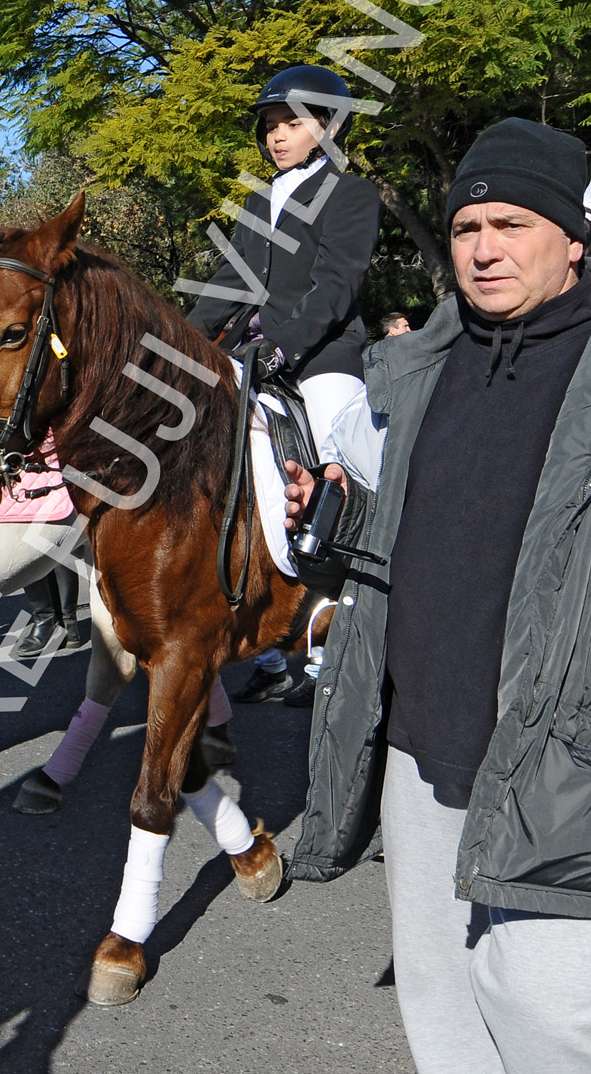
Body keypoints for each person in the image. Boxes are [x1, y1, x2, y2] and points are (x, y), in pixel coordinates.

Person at [285, 117, 591, 1074]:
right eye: (467, 228)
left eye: (512, 224)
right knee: (441, 1009)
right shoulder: (414, 370)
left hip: (557, 747)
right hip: (420, 740)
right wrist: (347, 513)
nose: (485, 248)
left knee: (548, 1005)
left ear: (574, 239)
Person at [189, 63, 381, 704]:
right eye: (270, 125)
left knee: (340, 459)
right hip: (256, 351)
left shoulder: (352, 194)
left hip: (323, 353)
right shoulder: (256, 200)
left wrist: (285, 347)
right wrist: (177, 342)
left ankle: (341, 631)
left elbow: (337, 285)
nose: (277, 136)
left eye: (292, 123)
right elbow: (228, 283)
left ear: (326, 128)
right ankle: (265, 640)